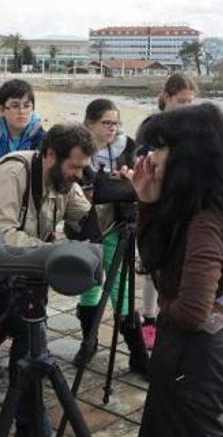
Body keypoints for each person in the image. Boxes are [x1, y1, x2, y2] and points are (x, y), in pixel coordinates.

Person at [128, 103, 223, 436]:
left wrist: (166, 312)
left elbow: (192, 311)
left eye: (161, 147)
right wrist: (147, 203)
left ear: (189, 156)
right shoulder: (194, 207)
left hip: (196, 359)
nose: (153, 157)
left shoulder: (207, 220)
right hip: (193, 350)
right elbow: (152, 260)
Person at [0, 123, 94, 436]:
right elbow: (1, 236)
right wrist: (60, 251)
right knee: (26, 331)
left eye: (84, 168)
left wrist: (120, 199)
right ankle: (30, 425)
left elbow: (87, 218)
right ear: (51, 154)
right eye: (74, 167)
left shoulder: (63, 178)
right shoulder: (15, 173)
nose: (79, 175)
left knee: (6, 319)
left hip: (22, 263)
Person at [70, 99, 149, 375]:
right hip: (84, 226)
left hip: (119, 223)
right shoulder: (77, 148)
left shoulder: (128, 147)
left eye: (115, 123)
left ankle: (138, 353)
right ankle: (88, 343)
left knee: (121, 288)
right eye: (106, 123)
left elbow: (141, 184)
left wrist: (127, 181)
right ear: (89, 123)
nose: (112, 129)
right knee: (89, 285)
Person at [139, 72, 199, 349]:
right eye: (181, 101)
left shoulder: (196, 127)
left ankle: (171, 315)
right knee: (155, 262)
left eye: (190, 102)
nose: (186, 107)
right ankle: (149, 318)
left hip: (186, 201)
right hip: (158, 201)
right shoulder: (153, 125)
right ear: (167, 97)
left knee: (182, 263)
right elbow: (142, 157)